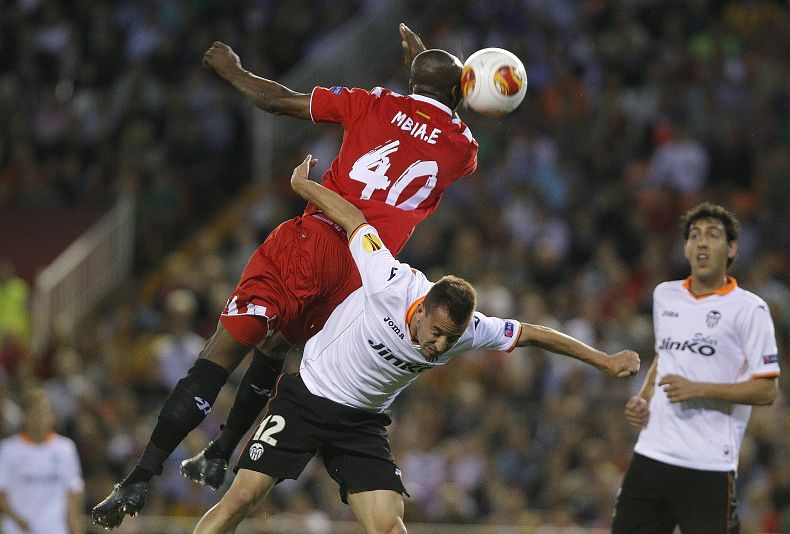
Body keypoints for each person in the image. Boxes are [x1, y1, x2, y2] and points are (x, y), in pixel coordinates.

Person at [92, 23, 480, 528]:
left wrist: (233, 71)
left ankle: (139, 479)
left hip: (314, 241)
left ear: (413, 82)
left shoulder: (374, 102)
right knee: (277, 348)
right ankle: (220, 451)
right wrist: (434, 75)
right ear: (456, 96)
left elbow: (277, 101)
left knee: (223, 351)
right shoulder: (462, 149)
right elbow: (440, 120)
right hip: (360, 275)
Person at [192, 155, 641, 533]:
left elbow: (533, 333)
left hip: (360, 423)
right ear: (422, 308)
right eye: (436, 332)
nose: (440, 345)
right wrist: (302, 184)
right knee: (242, 501)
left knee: (390, 526)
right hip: (308, 397)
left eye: (450, 338)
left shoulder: (467, 331)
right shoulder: (390, 281)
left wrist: (602, 360)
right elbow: (353, 219)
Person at [611, 202, 780, 534]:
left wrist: (699, 388)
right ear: (686, 247)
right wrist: (644, 399)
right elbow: (664, 356)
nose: (701, 242)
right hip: (651, 457)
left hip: (708, 465)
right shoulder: (665, 296)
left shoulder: (750, 310)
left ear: (731, 248)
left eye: (713, 235)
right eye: (694, 235)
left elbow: (766, 389)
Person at [0, 388, 84, 534]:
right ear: (24, 416)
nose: (39, 416)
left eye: (44, 411)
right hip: (17, 530)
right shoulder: (8, 450)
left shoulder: (66, 449)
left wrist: (77, 530)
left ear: (52, 416)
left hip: (54, 530)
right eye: (34, 411)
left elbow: (72, 495)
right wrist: (17, 518)